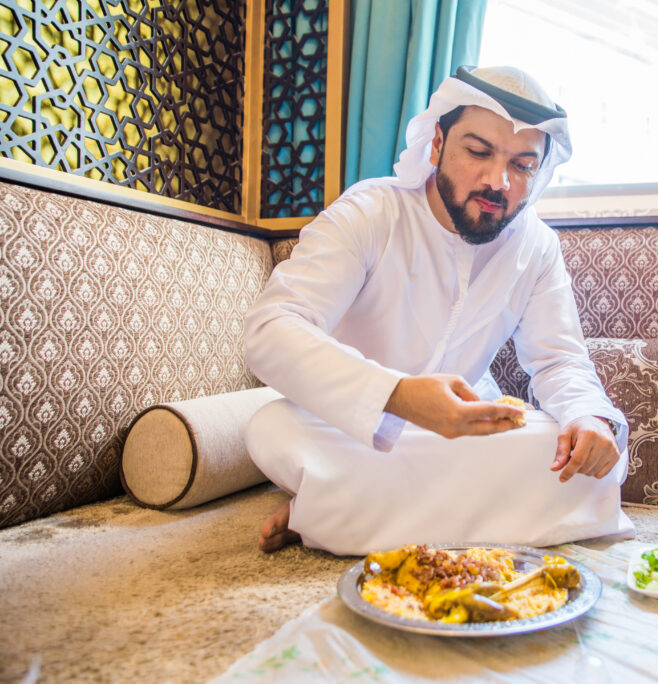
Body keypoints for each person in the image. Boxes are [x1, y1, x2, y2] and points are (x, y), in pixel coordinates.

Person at [244, 66, 633, 555]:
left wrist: (586, 417)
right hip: (350, 429)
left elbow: (559, 361)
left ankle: (332, 510)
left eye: (522, 165)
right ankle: (351, 503)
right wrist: (398, 395)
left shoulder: (536, 245)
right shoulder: (370, 212)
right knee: (272, 428)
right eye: (478, 152)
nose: (499, 181)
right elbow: (270, 329)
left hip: (462, 440)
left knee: (590, 456)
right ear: (436, 144)